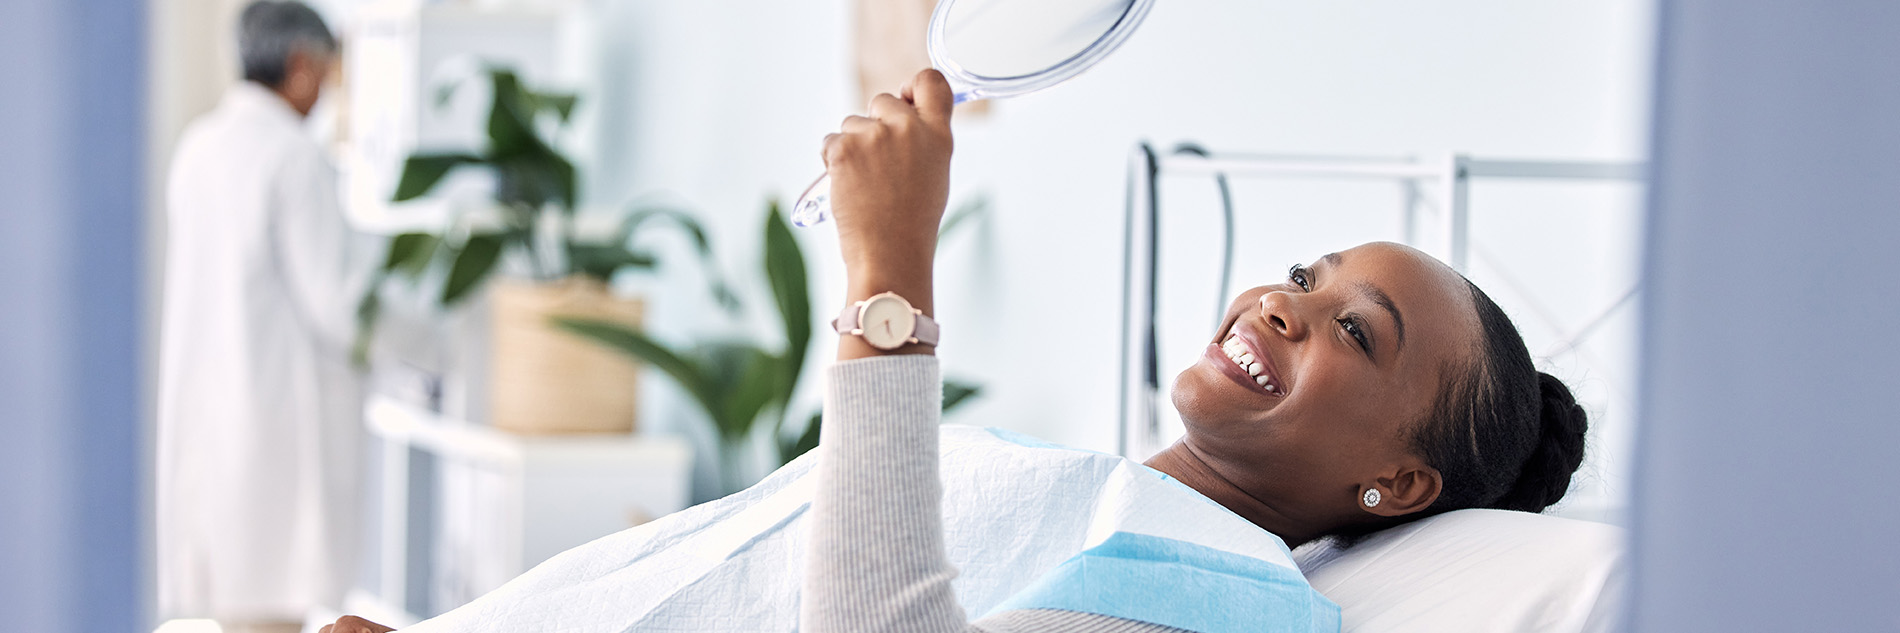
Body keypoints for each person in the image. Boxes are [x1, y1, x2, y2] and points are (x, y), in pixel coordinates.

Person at [322, 69, 1588, 633]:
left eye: (1356, 333)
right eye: (1309, 275)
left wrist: (890, 287)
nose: (1286, 302)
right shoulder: (1045, 479)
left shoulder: (1220, 604)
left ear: (1401, 486)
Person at [158, 3, 373, 632]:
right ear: (302, 64)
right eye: (330, 70)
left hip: (213, 409)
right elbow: (335, 303)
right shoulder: (292, 157)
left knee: (241, 604)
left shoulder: (198, 146)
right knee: (272, 600)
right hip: (271, 421)